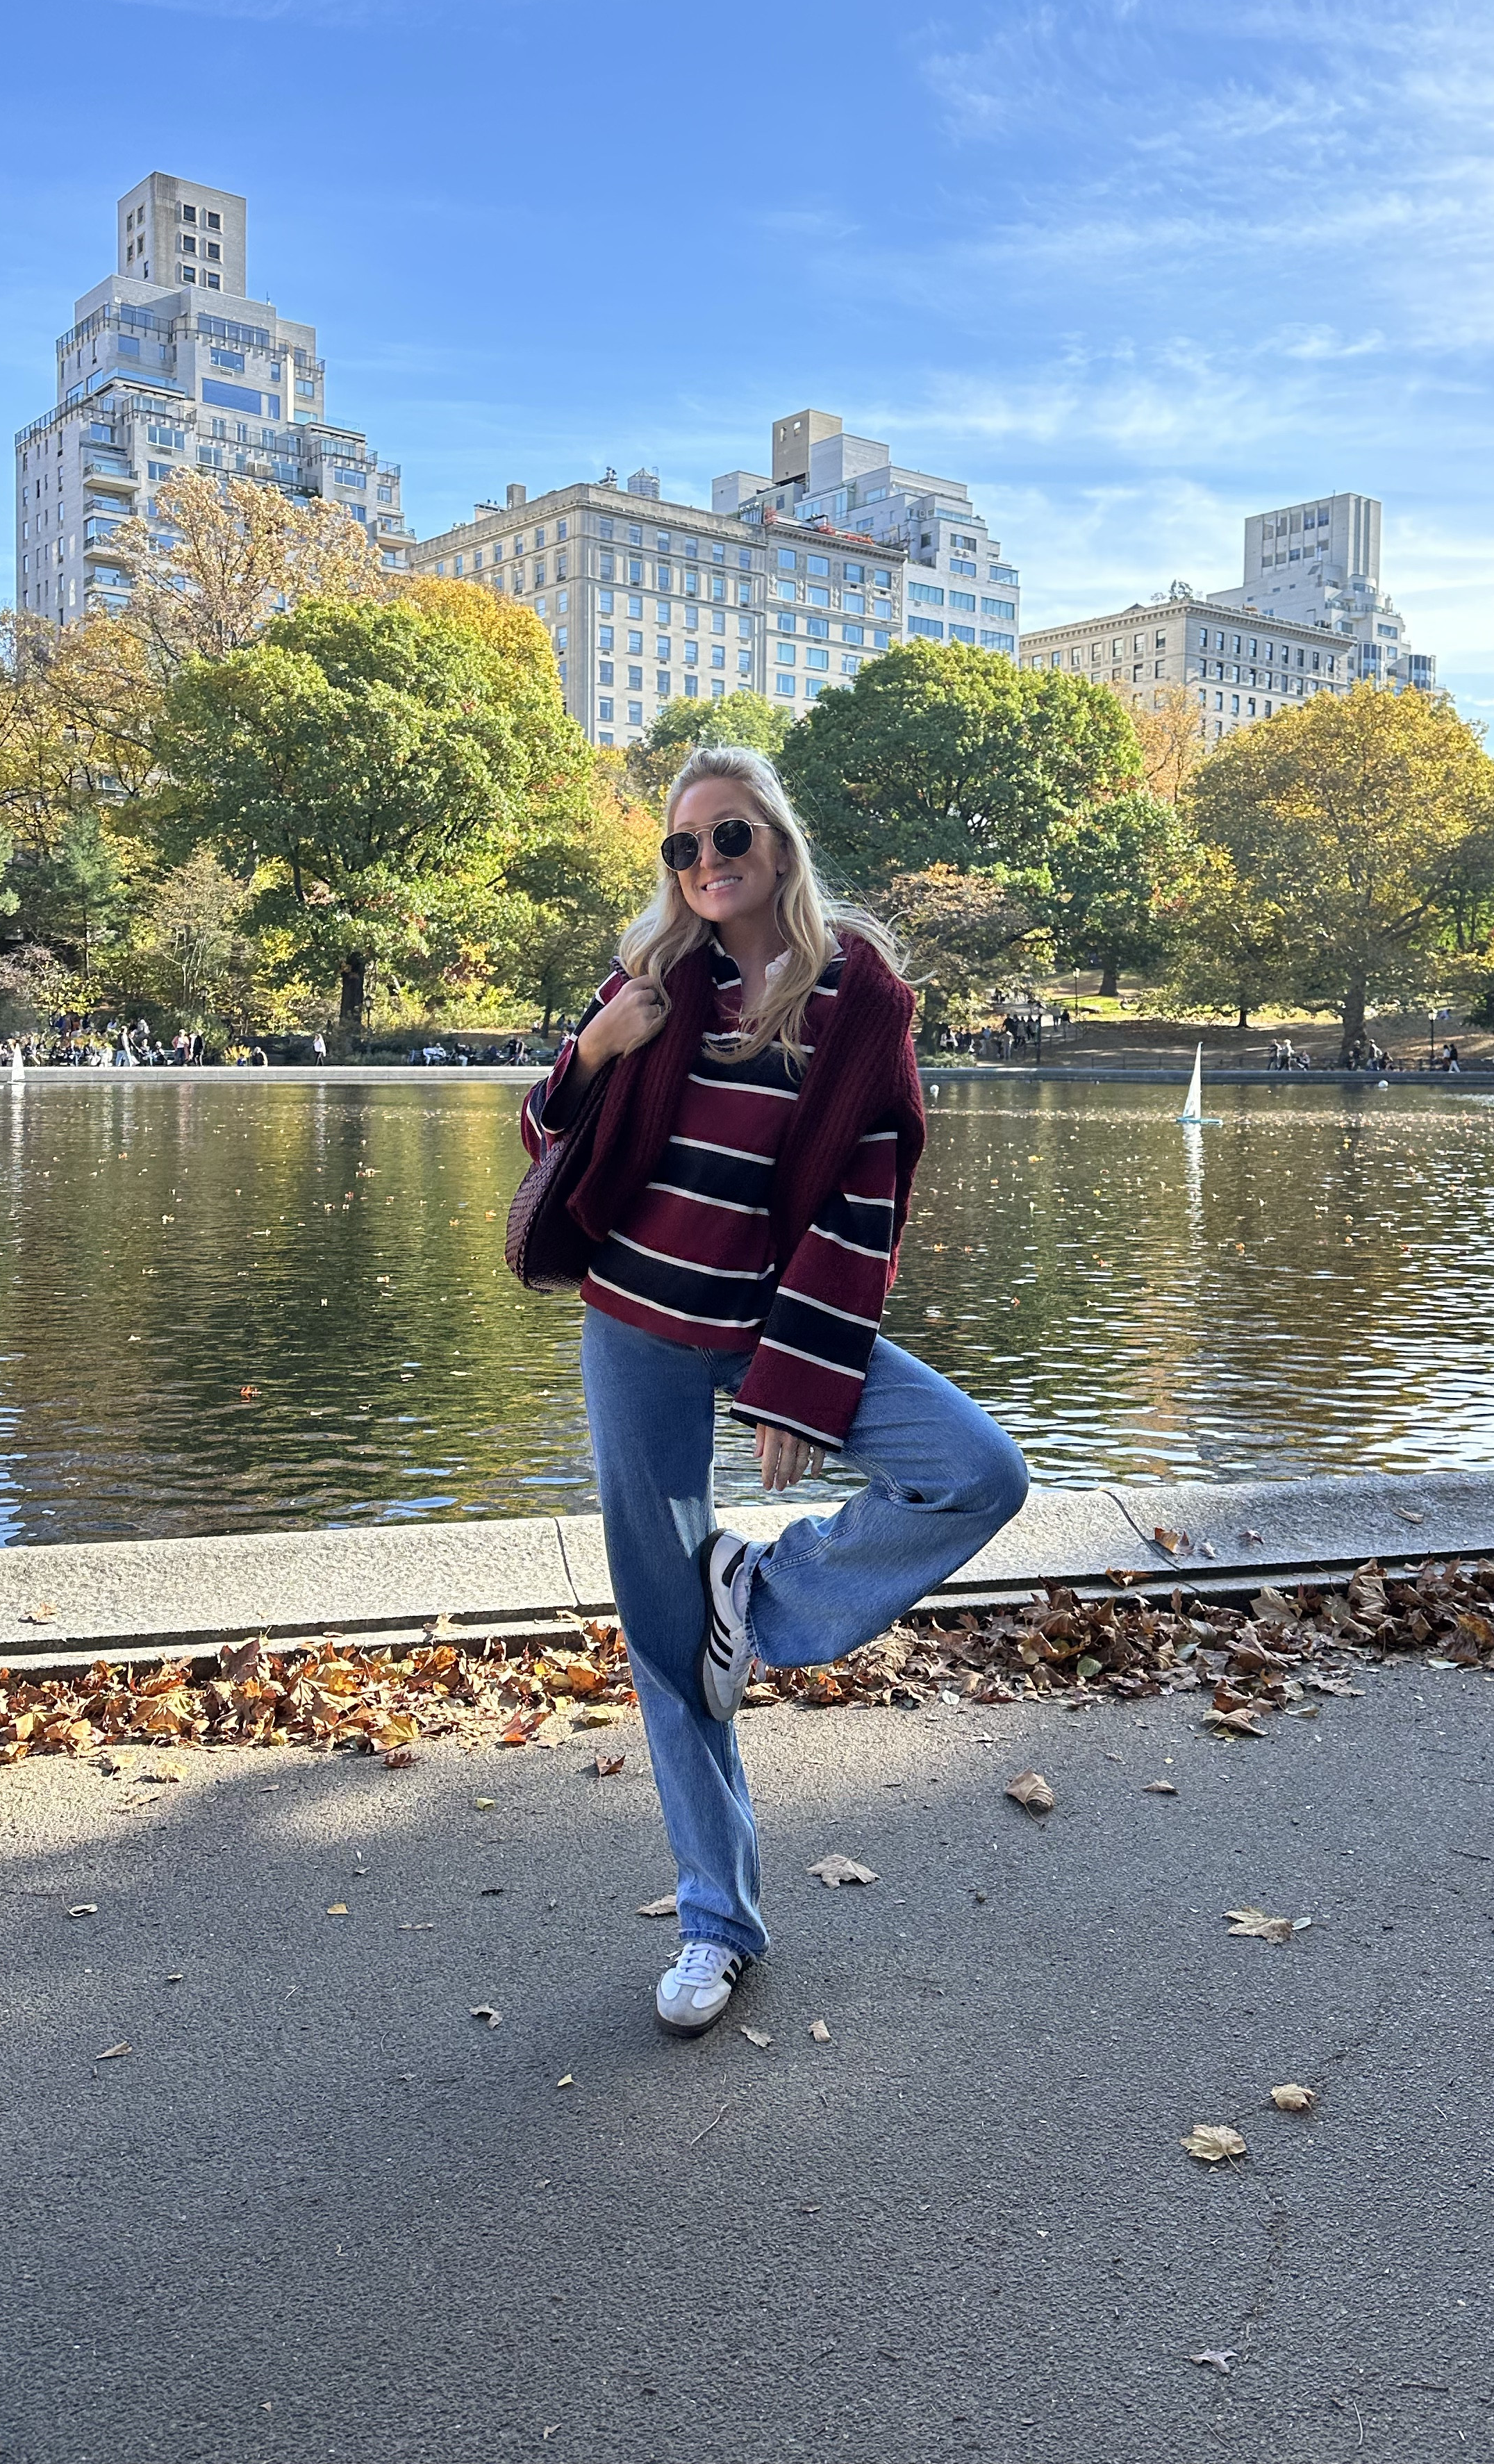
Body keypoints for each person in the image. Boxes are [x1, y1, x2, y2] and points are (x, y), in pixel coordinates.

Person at [517, 744, 1028, 2040]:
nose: (705, 868)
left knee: (978, 1471)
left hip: (768, 1325)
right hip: (634, 1324)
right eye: (682, 849)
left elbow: (870, 1191)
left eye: (728, 838)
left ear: (780, 845)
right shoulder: (649, 978)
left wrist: (796, 1382)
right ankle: (715, 1923)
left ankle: (764, 1592)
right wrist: (591, 1051)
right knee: (661, 1638)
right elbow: (542, 1135)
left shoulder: (853, 992)